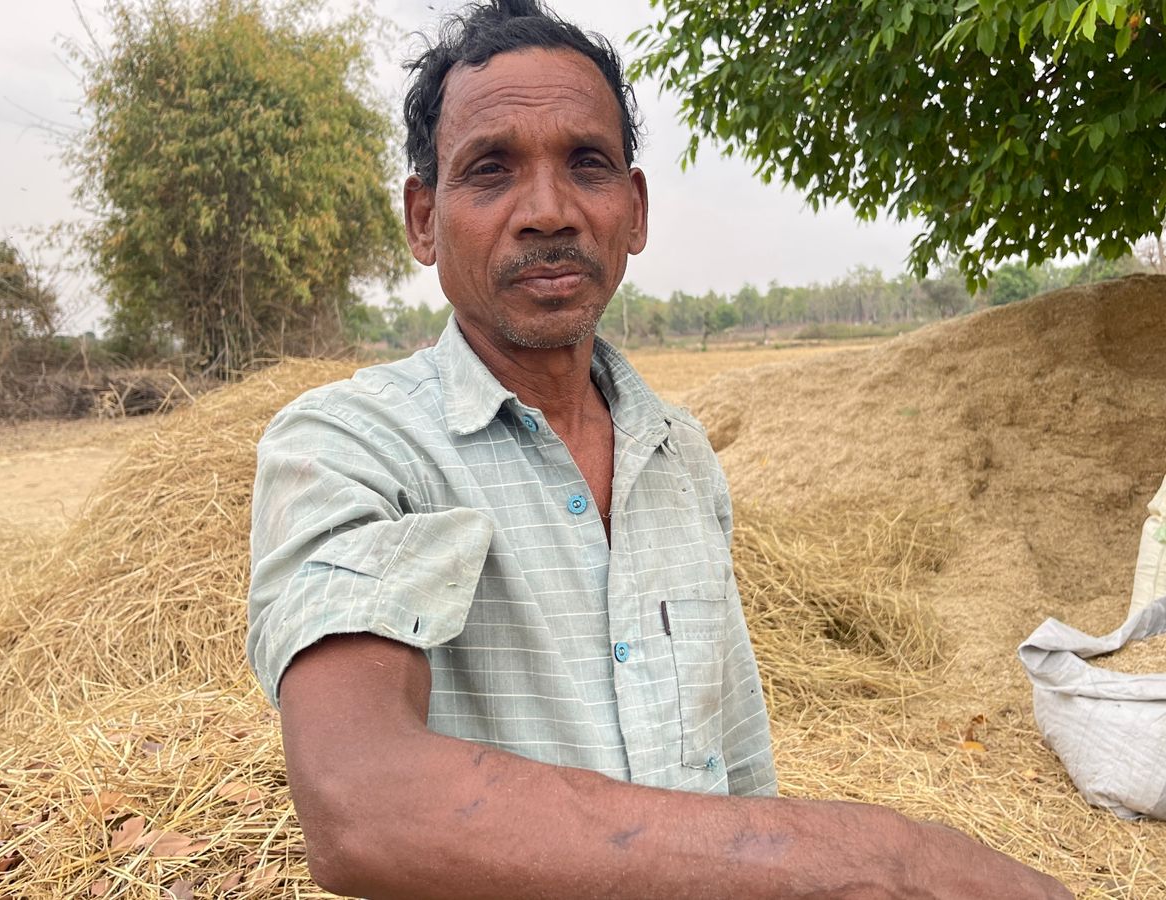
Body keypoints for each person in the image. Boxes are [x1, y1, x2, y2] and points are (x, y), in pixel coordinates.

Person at [246, 1, 1072, 897]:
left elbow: (733, 766)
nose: (549, 211)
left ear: (632, 212)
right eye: (490, 170)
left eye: (587, 165)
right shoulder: (352, 446)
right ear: (422, 219)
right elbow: (363, 803)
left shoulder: (678, 451)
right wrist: (879, 856)